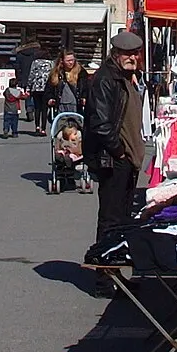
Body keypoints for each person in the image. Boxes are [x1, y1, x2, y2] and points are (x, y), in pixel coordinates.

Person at [83, 31, 146, 258]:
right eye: (127, 54)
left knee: (123, 218)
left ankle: (117, 271)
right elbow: (100, 122)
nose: (132, 58)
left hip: (126, 159)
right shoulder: (106, 79)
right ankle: (104, 276)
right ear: (116, 54)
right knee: (111, 219)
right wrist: (119, 152)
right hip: (113, 159)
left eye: (135, 54)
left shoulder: (125, 77)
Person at [47, 48, 87, 120]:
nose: (71, 62)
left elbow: (86, 87)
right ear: (62, 61)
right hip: (61, 105)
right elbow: (49, 88)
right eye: (68, 60)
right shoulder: (56, 73)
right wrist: (50, 98)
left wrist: (84, 97)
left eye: (72, 60)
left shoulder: (81, 72)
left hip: (76, 105)